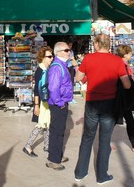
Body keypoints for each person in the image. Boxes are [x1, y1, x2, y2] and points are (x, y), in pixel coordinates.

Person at [74, 34, 131, 184]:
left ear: (97, 44)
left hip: (92, 102)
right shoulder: (117, 60)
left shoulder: (88, 58)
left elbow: (78, 78)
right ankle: (101, 176)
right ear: (108, 44)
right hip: (109, 104)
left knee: (87, 137)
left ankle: (80, 173)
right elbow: (127, 85)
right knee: (105, 140)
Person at [46, 42, 75, 171]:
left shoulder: (62, 65)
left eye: (69, 50)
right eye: (66, 50)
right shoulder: (57, 67)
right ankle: (53, 159)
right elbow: (53, 88)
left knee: (60, 131)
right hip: (58, 104)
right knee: (57, 132)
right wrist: (60, 102)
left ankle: (57, 155)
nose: (69, 52)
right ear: (58, 52)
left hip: (61, 102)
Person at [23, 46, 54, 157]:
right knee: (41, 125)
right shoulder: (40, 71)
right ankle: (27, 146)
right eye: (49, 56)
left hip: (47, 101)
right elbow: (36, 90)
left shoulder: (48, 69)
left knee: (47, 124)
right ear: (42, 57)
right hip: (42, 102)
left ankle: (47, 146)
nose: (52, 58)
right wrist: (36, 105)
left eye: (52, 56)